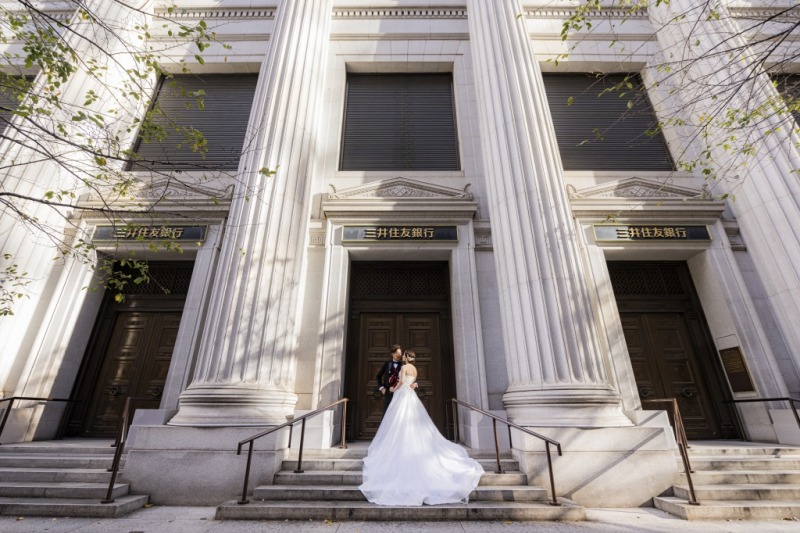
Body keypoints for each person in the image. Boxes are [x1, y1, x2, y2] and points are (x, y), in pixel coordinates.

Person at [359, 350, 484, 506]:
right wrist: (409, 385)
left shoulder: (404, 368)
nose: (402, 357)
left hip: (402, 395)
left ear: (405, 357)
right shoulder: (415, 369)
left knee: (398, 420)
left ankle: (398, 442)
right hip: (410, 395)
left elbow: (401, 382)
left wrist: (393, 389)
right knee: (413, 420)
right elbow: (412, 383)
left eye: (403, 355)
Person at [376, 344, 404, 413]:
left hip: (400, 392)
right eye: (397, 353)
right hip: (388, 392)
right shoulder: (387, 363)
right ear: (392, 354)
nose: (399, 355)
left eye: (400, 353)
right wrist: (382, 388)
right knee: (387, 412)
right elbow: (378, 376)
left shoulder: (403, 365)